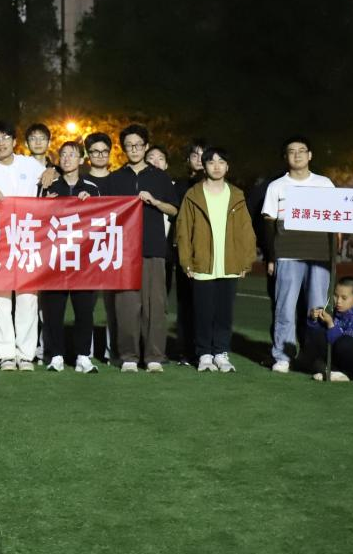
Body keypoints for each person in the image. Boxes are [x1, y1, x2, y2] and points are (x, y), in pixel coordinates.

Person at [104, 124, 179, 372]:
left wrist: (155, 202)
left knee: (154, 305)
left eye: (138, 145)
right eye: (129, 145)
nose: (134, 149)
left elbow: (174, 209)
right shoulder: (115, 178)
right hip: (124, 251)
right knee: (126, 306)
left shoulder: (160, 177)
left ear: (146, 147)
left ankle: (154, 356)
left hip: (153, 248)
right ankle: (128, 356)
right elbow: (103, 212)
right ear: (123, 149)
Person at [175, 147, 256, 373]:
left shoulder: (237, 195)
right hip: (202, 262)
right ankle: (204, 354)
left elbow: (246, 230)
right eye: (211, 162)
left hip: (229, 262)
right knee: (202, 312)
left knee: (224, 312)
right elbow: (183, 229)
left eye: (221, 162)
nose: (217, 166)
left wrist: (246, 260)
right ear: (204, 166)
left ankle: (221, 352)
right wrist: (186, 260)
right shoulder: (193, 194)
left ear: (227, 167)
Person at [261, 135, 336, 373]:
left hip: (320, 254)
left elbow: (337, 218)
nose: (297, 155)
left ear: (310, 155)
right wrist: (271, 257)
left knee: (317, 308)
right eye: (292, 151)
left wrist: (333, 254)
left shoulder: (325, 184)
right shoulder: (276, 186)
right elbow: (268, 223)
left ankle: (315, 355)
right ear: (285, 157)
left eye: (302, 150)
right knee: (284, 307)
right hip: (288, 254)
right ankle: (283, 356)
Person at [0, 120, 44, 371]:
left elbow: (52, 180)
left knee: (28, 298)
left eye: (5, 137)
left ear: (14, 141)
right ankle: (5, 354)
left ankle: (25, 355)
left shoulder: (30, 165)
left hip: (29, 240)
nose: (1, 143)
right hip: (0, 243)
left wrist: (52, 172)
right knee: (0, 299)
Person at [38, 140, 105, 373]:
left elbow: (103, 220)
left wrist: (91, 204)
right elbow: (35, 221)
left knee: (84, 311)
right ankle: (56, 355)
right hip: (54, 259)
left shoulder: (91, 188)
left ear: (81, 159)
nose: (67, 159)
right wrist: (43, 205)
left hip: (82, 260)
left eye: (72, 154)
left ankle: (83, 356)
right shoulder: (49, 186)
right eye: (63, 154)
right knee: (53, 311)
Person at [296, 276, 353, 385]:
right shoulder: (337, 312)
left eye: (344, 298)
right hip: (345, 357)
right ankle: (338, 372)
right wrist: (314, 319)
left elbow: (344, 343)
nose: (338, 301)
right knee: (317, 335)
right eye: (335, 296)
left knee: (344, 343)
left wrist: (330, 324)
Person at [170, 138, 208, 364]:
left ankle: (208, 348)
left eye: (204, 155)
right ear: (188, 160)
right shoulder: (180, 186)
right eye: (195, 155)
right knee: (186, 301)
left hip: (211, 251)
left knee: (208, 301)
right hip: (186, 251)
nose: (200, 160)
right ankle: (185, 349)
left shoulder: (219, 186)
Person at [85, 131, 117, 361]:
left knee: (113, 305)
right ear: (88, 155)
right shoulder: (80, 181)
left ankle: (111, 350)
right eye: (95, 151)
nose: (99, 155)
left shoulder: (119, 181)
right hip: (86, 250)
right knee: (86, 304)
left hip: (112, 248)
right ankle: (85, 350)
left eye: (104, 151)